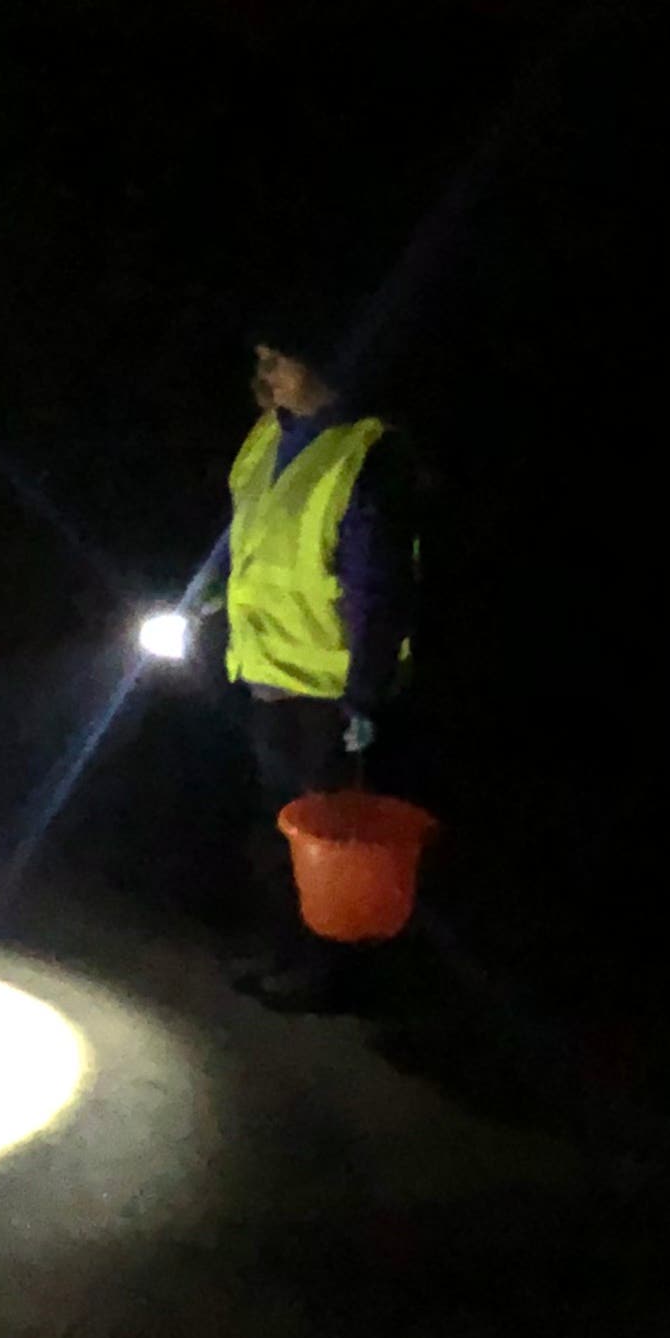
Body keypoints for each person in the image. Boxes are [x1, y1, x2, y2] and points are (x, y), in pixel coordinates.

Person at [217, 322, 417, 1010]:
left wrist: (364, 696)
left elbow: (378, 585)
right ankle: (280, 949)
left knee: (325, 844)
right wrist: (205, 597)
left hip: (326, 687)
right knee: (275, 830)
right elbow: (243, 534)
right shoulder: (267, 436)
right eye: (262, 358)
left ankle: (321, 970)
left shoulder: (365, 451)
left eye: (281, 359)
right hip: (266, 671)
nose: (268, 373)